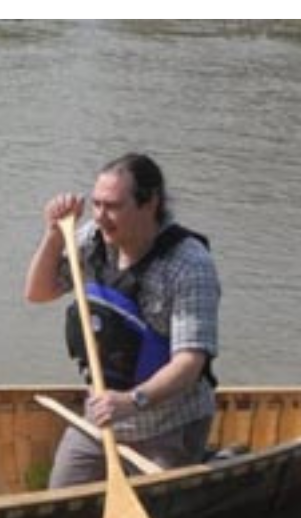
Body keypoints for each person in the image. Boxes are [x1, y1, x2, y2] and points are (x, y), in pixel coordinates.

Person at [23, 153, 221, 489]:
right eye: (96, 204)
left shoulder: (190, 265)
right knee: (59, 498)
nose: (100, 217)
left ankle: (212, 461)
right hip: (101, 418)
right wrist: (55, 234)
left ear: (150, 203)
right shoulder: (90, 240)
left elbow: (190, 362)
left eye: (112, 206)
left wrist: (132, 402)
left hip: (168, 424)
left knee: (157, 511)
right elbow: (38, 292)